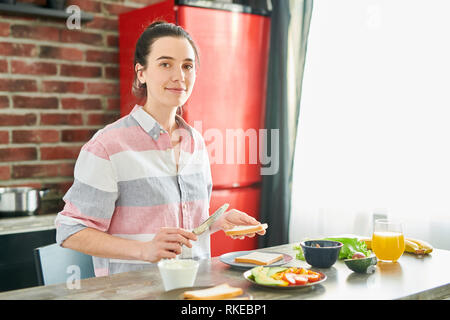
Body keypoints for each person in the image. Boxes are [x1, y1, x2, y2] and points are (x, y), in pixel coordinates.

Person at [55, 21, 266, 277]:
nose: (179, 76)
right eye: (165, 64)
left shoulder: (196, 143)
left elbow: (183, 226)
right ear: (141, 73)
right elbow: (71, 231)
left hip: (194, 291)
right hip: (133, 294)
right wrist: (144, 250)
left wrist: (215, 222)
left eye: (187, 66)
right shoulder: (108, 145)